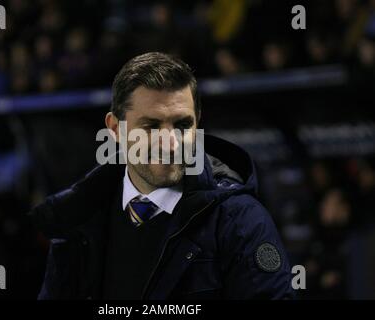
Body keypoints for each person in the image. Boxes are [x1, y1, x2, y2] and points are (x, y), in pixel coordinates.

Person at [30, 52, 294, 299]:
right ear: (115, 129)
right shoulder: (80, 219)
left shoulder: (240, 221)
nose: (170, 144)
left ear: (197, 123)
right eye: (151, 126)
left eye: (182, 125)